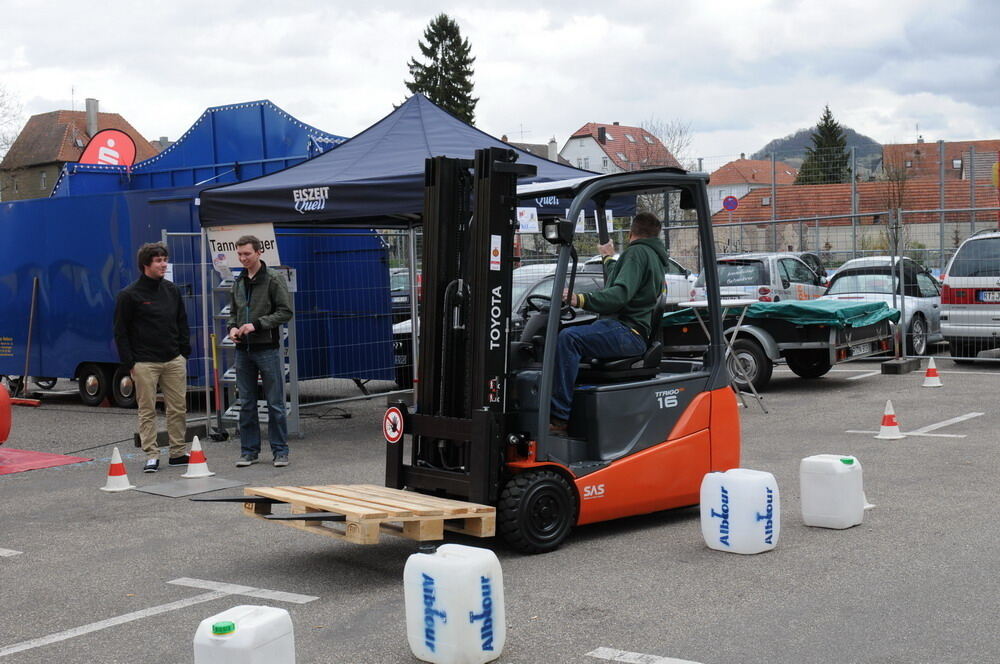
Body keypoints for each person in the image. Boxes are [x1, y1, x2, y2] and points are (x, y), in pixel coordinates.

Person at [550, 212, 669, 431]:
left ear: (631, 232)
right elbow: (622, 279)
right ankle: (574, 408)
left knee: (569, 338)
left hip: (627, 331)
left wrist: (580, 299)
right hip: (631, 331)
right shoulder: (651, 255)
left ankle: (558, 417)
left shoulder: (637, 253)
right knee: (572, 337)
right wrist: (608, 257)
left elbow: (619, 295)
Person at [113, 242, 191, 472]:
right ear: (146, 264)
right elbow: (121, 331)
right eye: (158, 260)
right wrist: (130, 363)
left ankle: (177, 452)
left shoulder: (172, 290)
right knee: (147, 410)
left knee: (178, 408)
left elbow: (182, 322)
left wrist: (183, 352)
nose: (164, 264)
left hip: (173, 359)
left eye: (165, 259)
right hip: (145, 362)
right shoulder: (129, 295)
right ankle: (151, 454)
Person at [227, 235, 294, 467]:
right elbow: (233, 312)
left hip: (267, 349)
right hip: (242, 350)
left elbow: (285, 312)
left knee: (275, 402)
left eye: (247, 253)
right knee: (246, 402)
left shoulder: (273, 279)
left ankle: (280, 451)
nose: (243, 258)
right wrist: (233, 327)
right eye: (240, 254)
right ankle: (249, 451)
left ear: (259, 253)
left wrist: (257, 324)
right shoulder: (239, 281)